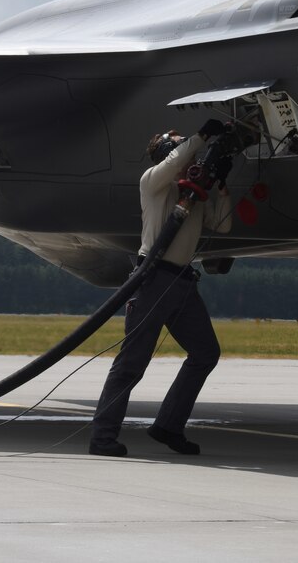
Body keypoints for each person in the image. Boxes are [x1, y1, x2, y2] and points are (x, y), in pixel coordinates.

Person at [89, 119, 232, 457]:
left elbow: (223, 224)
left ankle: (168, 426)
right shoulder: (153, 184)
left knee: (205, 353)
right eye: (180, 144)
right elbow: (173, 163)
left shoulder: (191, 196)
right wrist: (202, 137)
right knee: (131, 364)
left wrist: (222, 187)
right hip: (151, 280)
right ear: (169, 151)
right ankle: (103, 437)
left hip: (182, 282)